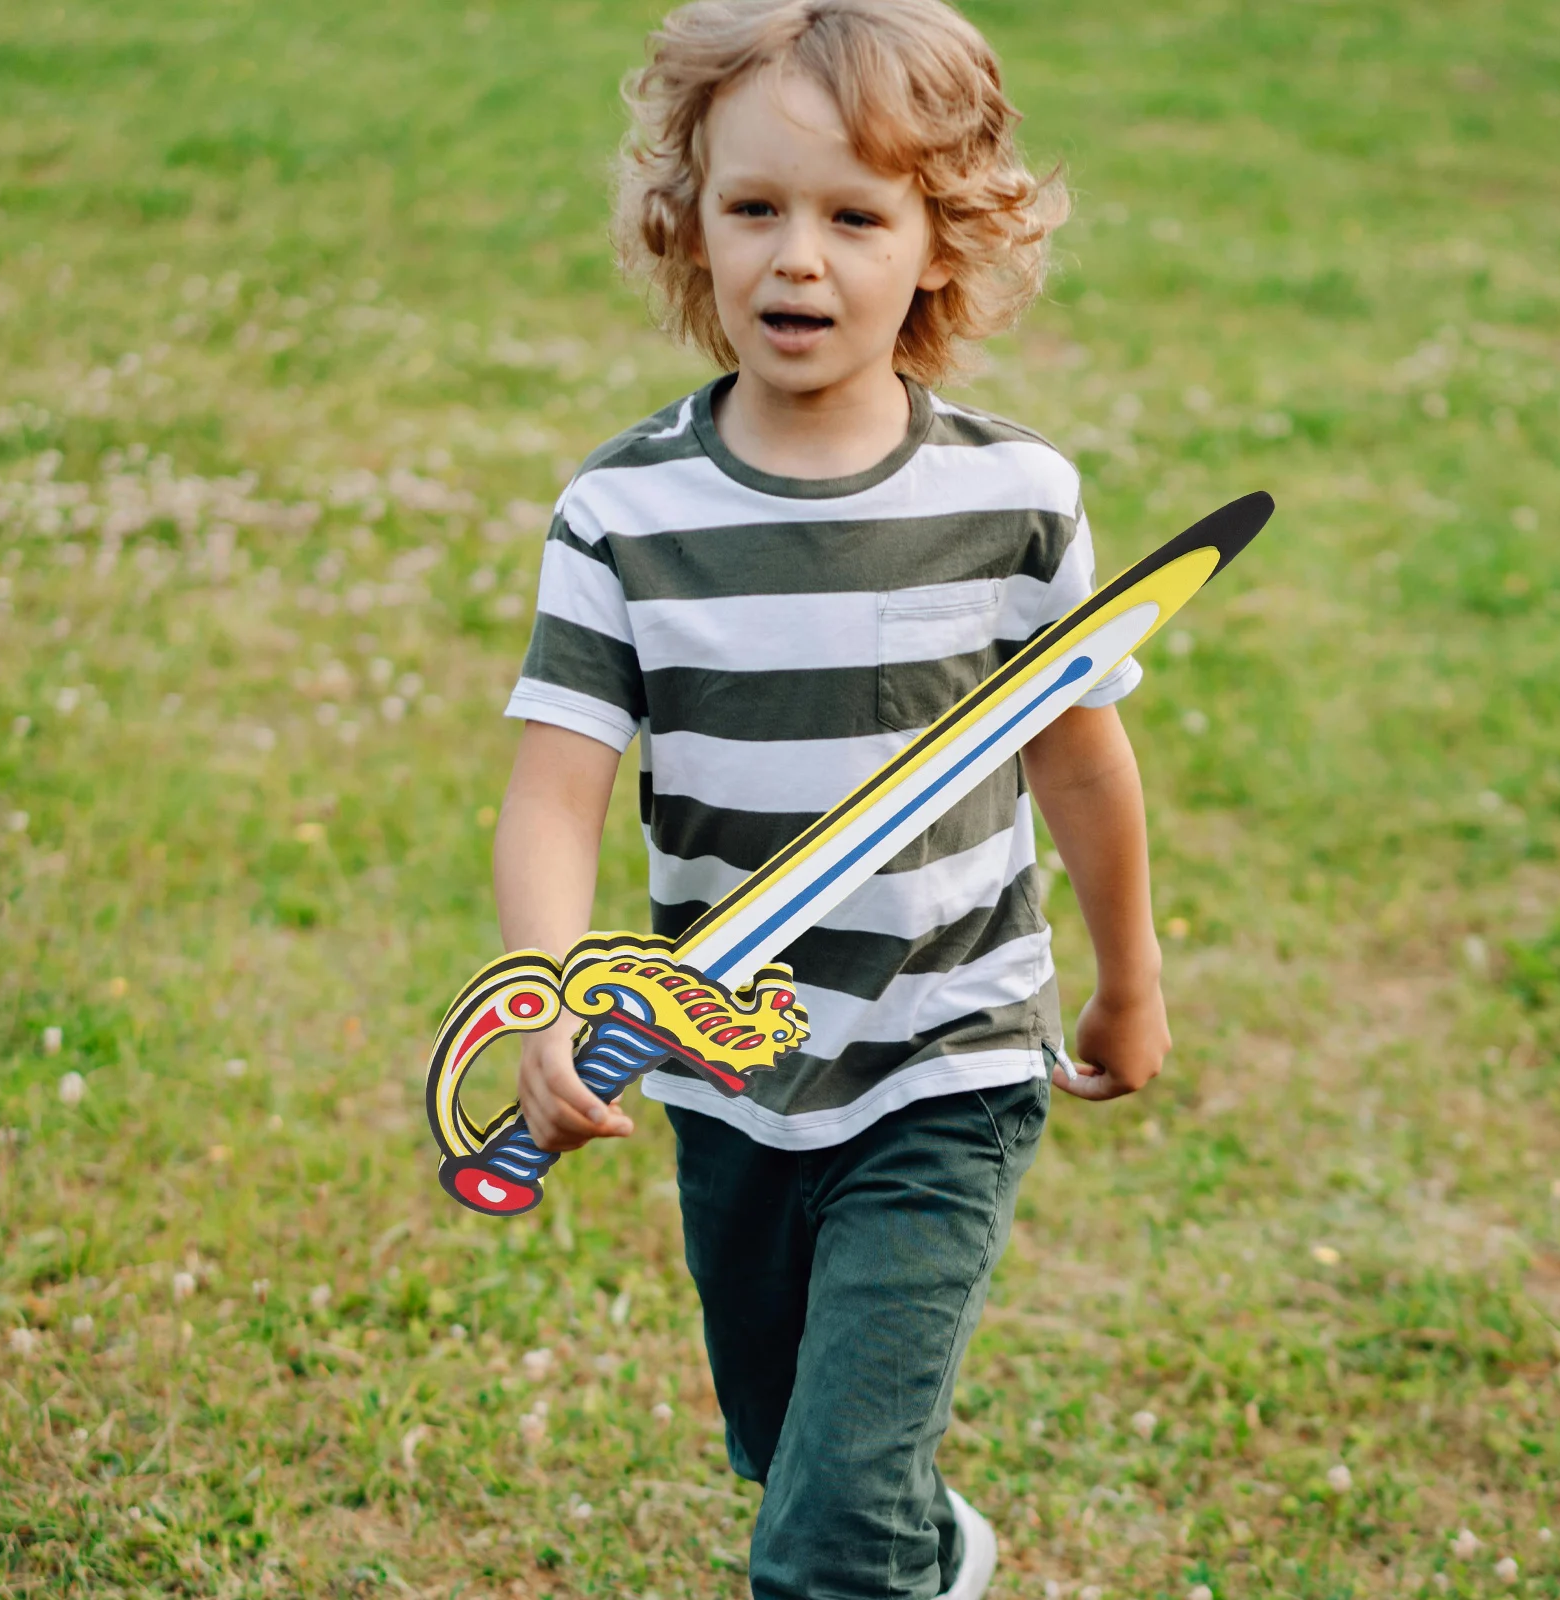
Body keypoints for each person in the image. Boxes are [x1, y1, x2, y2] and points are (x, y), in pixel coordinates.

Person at [494, 2, 1170, 1594]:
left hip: (948, 1056)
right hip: (729, 1074)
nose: (799, 259)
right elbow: (551, 796)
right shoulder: (623, 517)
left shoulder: (1015, 503)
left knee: (817, 1539)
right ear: (690, 222)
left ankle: (873, 1547)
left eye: (856, 215)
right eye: (756, 209)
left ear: (942, 241)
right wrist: (541, 1002)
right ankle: (932, 1550)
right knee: (793, 1447)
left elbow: (1079, 757)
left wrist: (1130, 980)